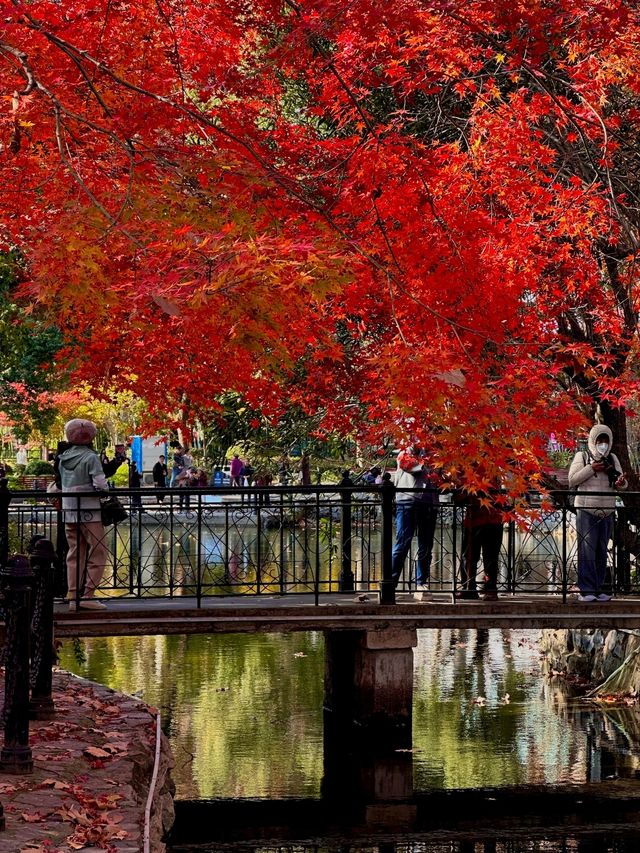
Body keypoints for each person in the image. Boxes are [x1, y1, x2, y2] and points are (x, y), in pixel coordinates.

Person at [568, 424, 627, 602]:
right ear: (593, 441)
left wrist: (621, 483)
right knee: (587, 550)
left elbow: (622, 484)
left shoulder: (613, 459)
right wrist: (591, 468)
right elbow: (572, 480)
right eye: (599, 440)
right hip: (587, 509)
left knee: (602, 550)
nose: (603, 444)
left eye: (605, 441)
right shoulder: (583, 456)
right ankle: (586, 589)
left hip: (607, 510)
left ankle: (599, 587)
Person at [58, 418, 109, 611]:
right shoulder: (90, 457)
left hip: (69, 510)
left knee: (74, 552)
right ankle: (88, 594)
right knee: (98, 551)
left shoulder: (63, 457)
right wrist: (105, 490)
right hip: (89, 511)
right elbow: (100, 484)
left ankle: (72, 595)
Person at [391, 445, 440, 599]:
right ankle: (390, 583)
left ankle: (421, 583)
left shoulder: (435, 453)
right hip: (407, 501)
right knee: (402, 542)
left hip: (429, 502)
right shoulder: (404, 453)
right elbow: (411, 467)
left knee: (426, 545)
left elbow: (441, 476)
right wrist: (424, 455)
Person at [457, 474, 504, 601]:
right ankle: (471, 588)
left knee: (488, 557)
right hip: (475, 519)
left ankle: (486, 589)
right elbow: (460, 497)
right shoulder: (466, 469)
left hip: (490, 519)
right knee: (470, 557)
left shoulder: (492, 469)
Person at [0, 477, 11, 567]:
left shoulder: (4, 492)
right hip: (3, 514)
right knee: (4, 535)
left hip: (2, 514)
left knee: (3, 536)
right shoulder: (7, 492)